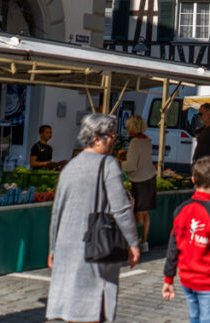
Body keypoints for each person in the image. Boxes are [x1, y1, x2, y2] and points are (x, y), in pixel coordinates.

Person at [47, 114, 140, 323]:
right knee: (93, 306)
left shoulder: (69, 167)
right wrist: (133, 242)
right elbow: (122, 208)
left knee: (73, 309)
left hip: (67, 248)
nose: (114, 141)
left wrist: (53, 247)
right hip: (96, 247)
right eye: (112, 136)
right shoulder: (107, 165)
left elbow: (57, 212)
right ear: (97, 138)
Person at [163, 156, 210, 323]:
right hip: (208, 282)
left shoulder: (181, 210)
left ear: (193, 179)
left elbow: (173, 246)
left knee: (195, 317)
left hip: (187, 280)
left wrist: (168, 278)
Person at [122, 114, 157, 253]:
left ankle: (137, 243)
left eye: (128, 126)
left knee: (138, 213)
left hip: (140, 180)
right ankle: (145, 242)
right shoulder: (147, 140)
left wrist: (119, 163)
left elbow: (131, 165)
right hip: (150, 178)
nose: (127, 129)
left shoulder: (135, 142)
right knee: (145, 213)